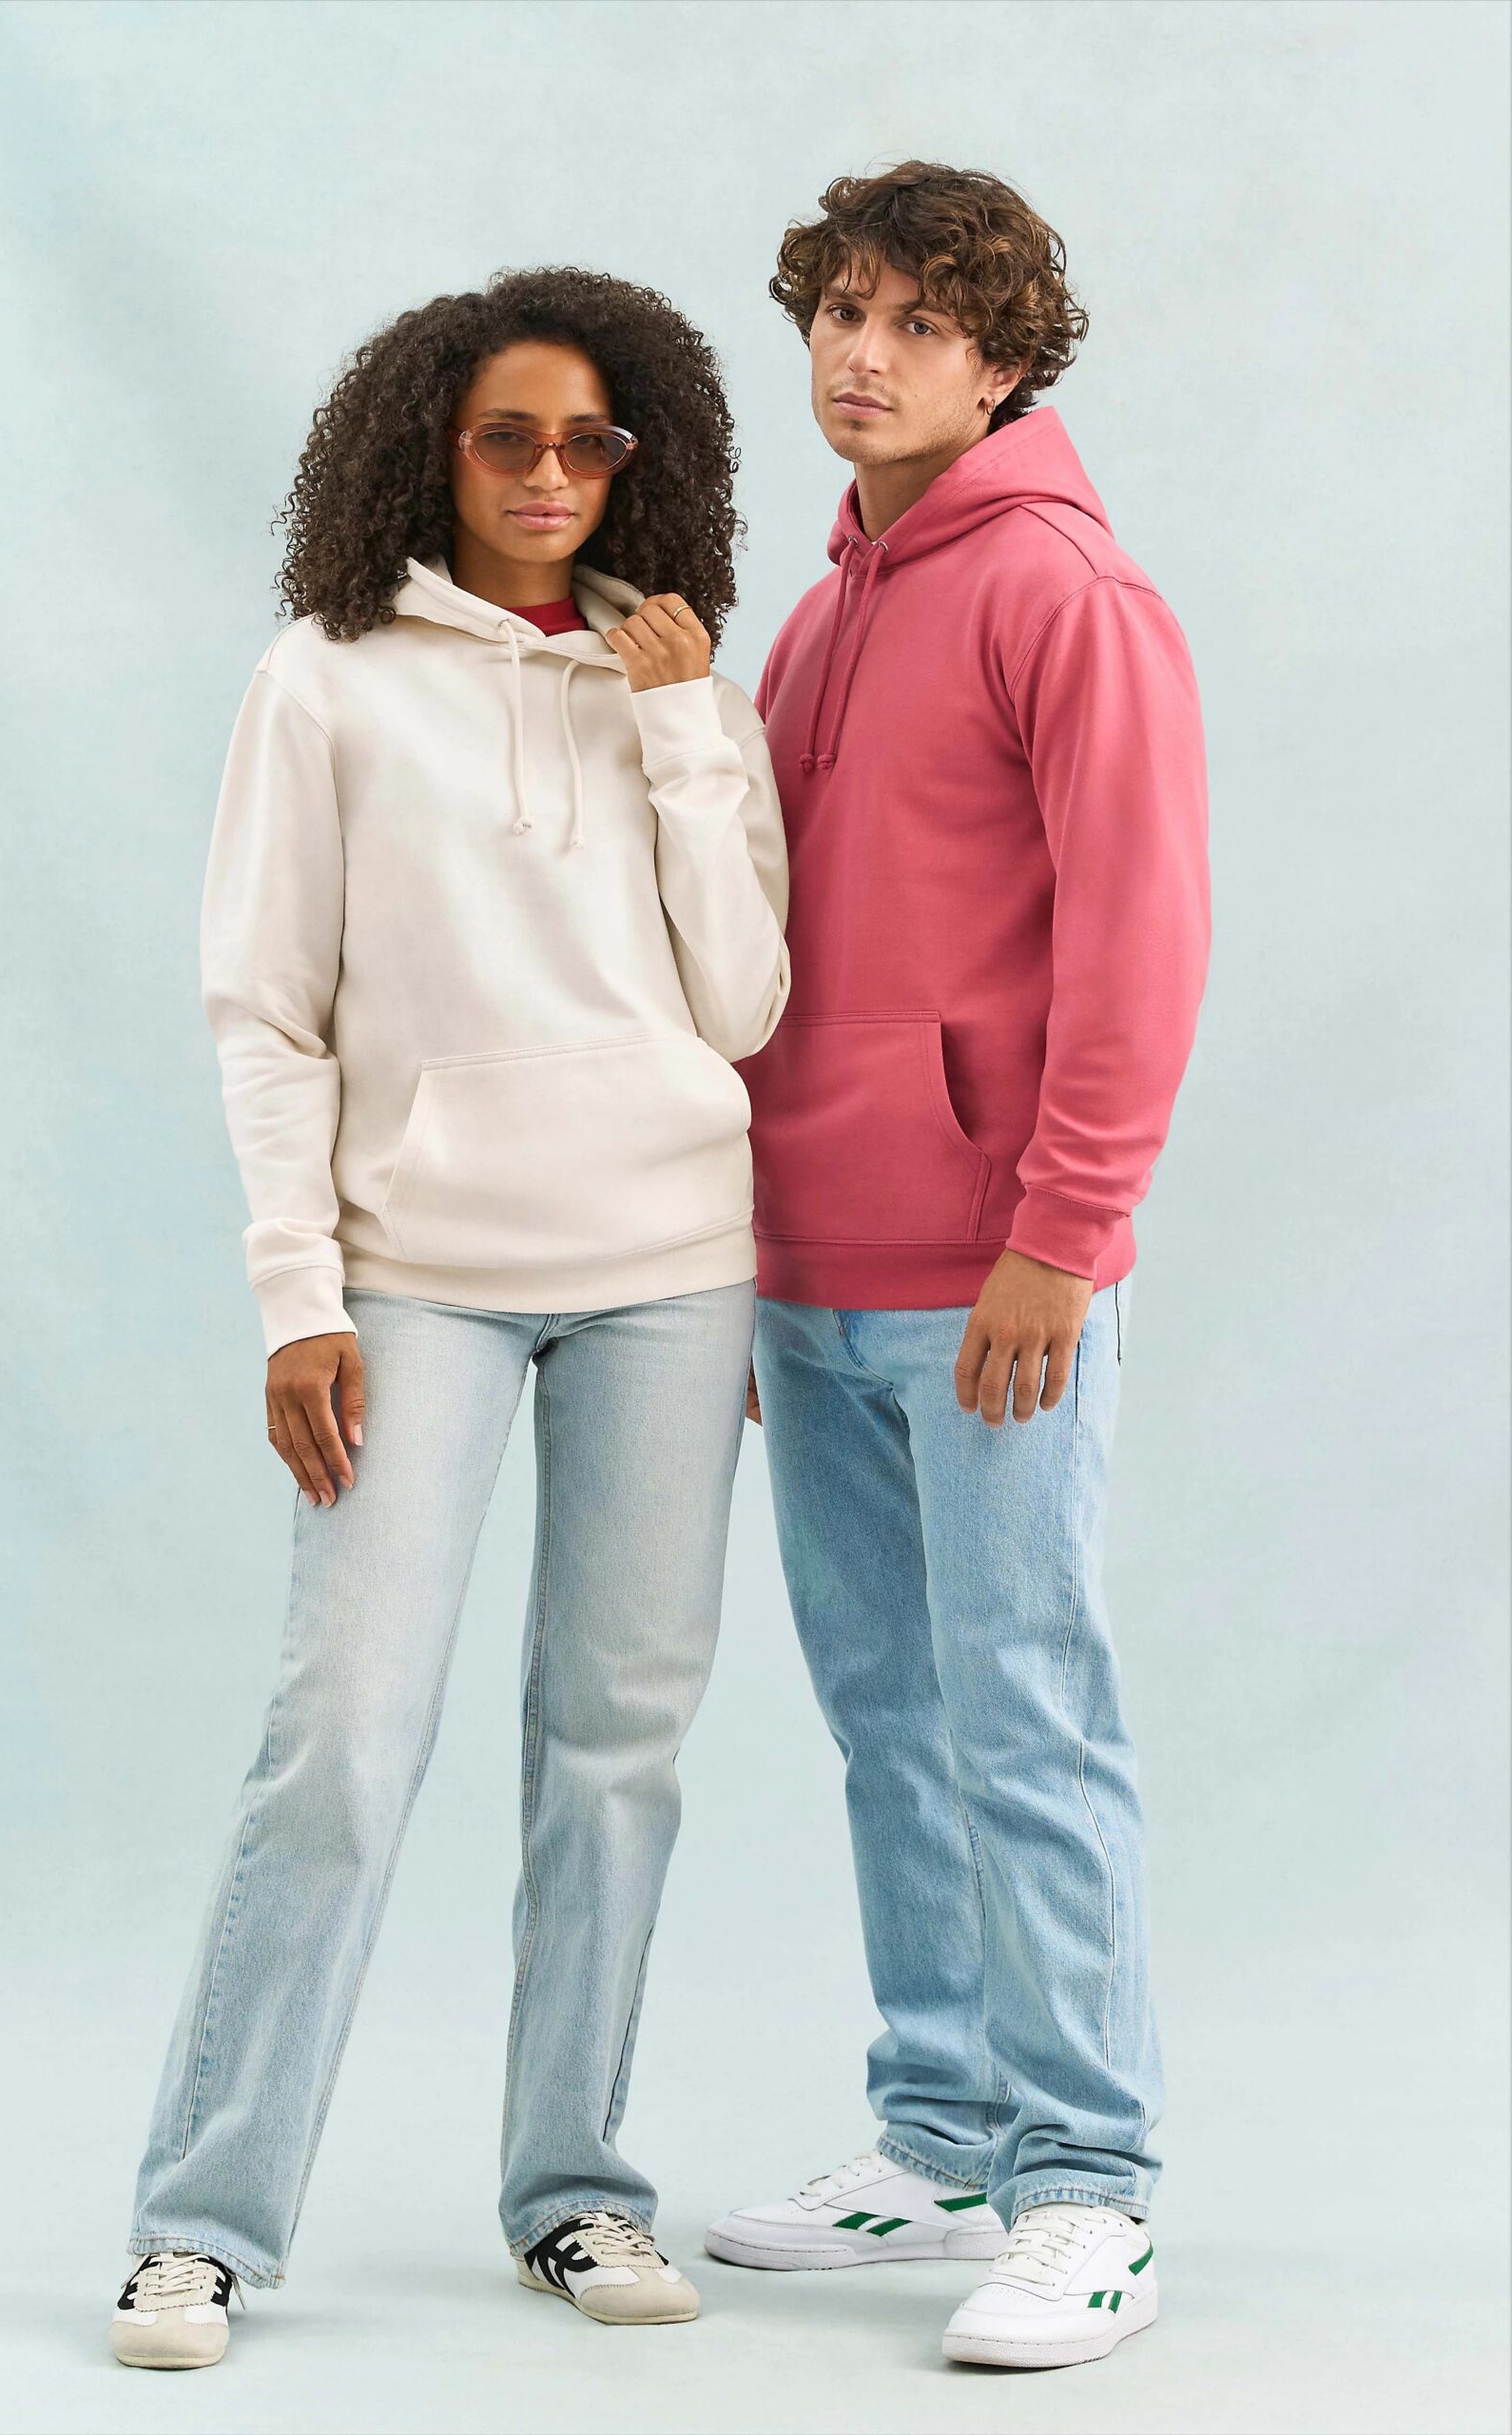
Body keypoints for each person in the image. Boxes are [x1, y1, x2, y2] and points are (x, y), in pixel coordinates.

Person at [109, 267, 789, 2369]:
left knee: (617, 1752)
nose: (552, 475)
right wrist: (293, 1294)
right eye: (511, 436)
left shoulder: (682, 679)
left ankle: (573, 2188)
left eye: (592, 440)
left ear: (639, 457)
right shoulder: (324, 676)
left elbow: (743, 1003)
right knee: (340, 1741)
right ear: (434, 446)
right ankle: (201, 2223)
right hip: (414, 1279)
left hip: (673, 1271)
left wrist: (677, 727)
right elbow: (265, 1010)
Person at [706, 163, 1210, 2372]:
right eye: (840, 308)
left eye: (918, 320)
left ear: (1001, 360)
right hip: (805, 1269)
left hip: (995, 1274)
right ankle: (939, 2126)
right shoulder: (817, 617)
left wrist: (1059, 1236)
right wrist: (749, 1248)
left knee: (1021, 1710)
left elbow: (1137, 937)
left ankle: (1085, 2182)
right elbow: (758, 959)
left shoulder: (1062, 593)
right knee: (885, 1718)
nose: (863, 351)